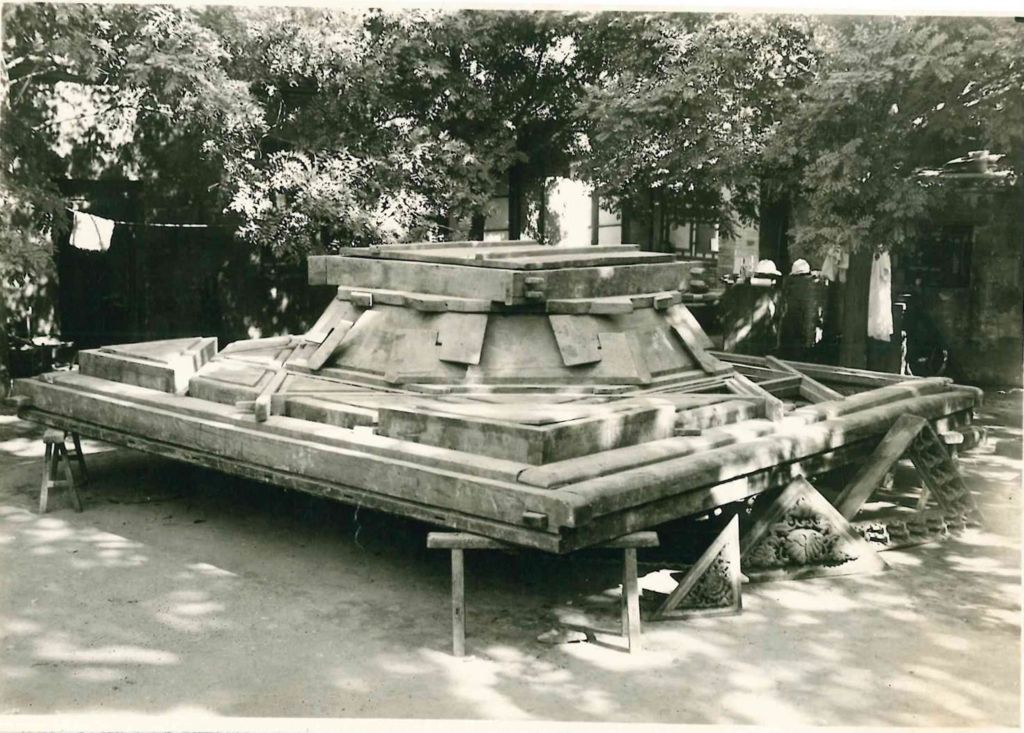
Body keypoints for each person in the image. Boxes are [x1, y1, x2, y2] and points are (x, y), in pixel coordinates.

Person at [778, 258, 823, 361]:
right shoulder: (814, 286)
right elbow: (816, 311)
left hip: (789, 332)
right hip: (808, 333)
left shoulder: (788, 284)